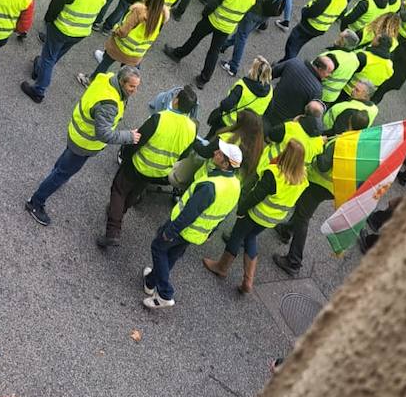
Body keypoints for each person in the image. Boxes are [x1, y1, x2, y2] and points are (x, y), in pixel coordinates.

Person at [25, 68, 142, 227]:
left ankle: (55, 176)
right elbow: (104, 134)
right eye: (132, 87)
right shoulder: (110, 105)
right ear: (122, 82)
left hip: (76, 131)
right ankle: (35, 203)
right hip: (84, 144)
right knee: (62, 173)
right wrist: (129, 136)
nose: (135, 91)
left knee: (62, 166)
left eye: (137, 87)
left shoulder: (106, 78)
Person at [143, 141, 242, 310]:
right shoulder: (235, 185)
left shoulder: (211, 186)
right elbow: (223, 212)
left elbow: (189, 213)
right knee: (172, 255)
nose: (215, 152)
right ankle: (151, 281)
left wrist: (171, 231)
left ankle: (165, 294)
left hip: (183, 228)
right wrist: (211, 232)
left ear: (226, 164)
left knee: (158, 247)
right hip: (198, 233)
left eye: (220, 153)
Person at [97, 84, 198, 248]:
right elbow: (185, 154)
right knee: (134, 192)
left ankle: (113, 231)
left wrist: (126, 155)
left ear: (177, 101)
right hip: (159, 171)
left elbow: (138, 139)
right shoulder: (192, 127)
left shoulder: (160, 118)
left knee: (119, 190)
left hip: (139, 164)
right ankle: (119, 211)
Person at [204, 138, 308, 295]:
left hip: (256, 214)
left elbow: (255, 196)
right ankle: (248, 280)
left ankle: (222, 267)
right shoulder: (302, 178)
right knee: (251, 238)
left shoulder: (274, 174)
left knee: (237, 237)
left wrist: (241, 210)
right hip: (272, 219)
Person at [20, 0, 108, 102]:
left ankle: (39, 90)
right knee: (56, 55)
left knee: (49, 57)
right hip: (81, 31)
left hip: (62, 28)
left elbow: (57, 3)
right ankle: (39, 69)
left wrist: (49, 19)